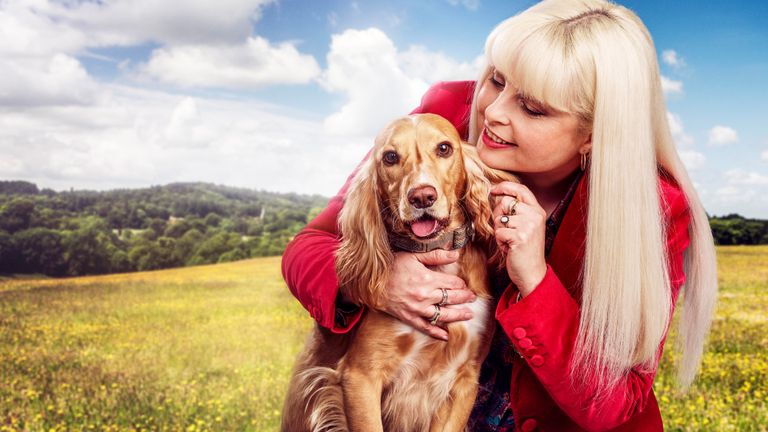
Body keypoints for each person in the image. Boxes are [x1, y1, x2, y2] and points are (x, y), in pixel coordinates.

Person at [281, 0, 718, 430]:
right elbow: (308, 248)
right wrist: (379, 281)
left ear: (594, 134)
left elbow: (615, 401)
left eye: (532, 108)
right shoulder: (444, 120)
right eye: (496, 79)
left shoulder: (653, 209)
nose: (492, 112)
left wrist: (535, 280)